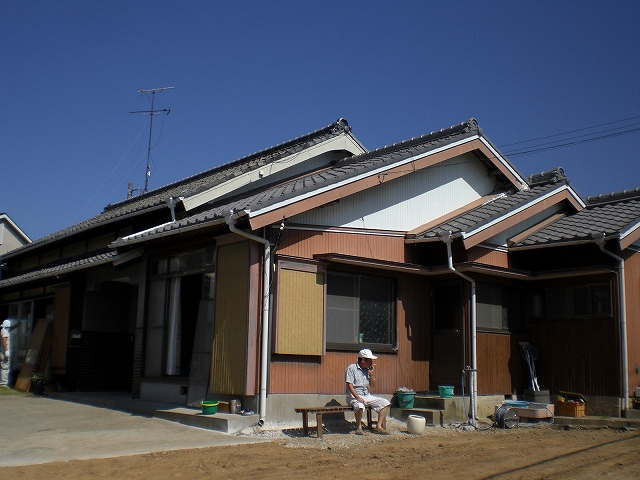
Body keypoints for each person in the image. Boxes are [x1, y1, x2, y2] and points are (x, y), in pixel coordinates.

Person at [345, 348, 391, 434]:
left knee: (385, 403)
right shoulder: (351, 368)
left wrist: (371, 374)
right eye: (370, 360)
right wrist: (357, 397)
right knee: (359, 406)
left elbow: (373, 385)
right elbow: (349, 385)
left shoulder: (368, 370)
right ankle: (359, 427)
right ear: (363, 360)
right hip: (354, 396)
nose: (372, 362)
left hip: (367, 395)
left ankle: (379, 426)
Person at [1, 319, 12, 387]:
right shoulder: (5, 332)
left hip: (3, 352)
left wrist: (18, 324)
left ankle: (4, 382)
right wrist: (6, 351)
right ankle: (3, 383)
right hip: (4, 352)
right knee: (5, 367)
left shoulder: (4, 331)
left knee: (5, 367)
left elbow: (12, 328)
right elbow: (4, 342)